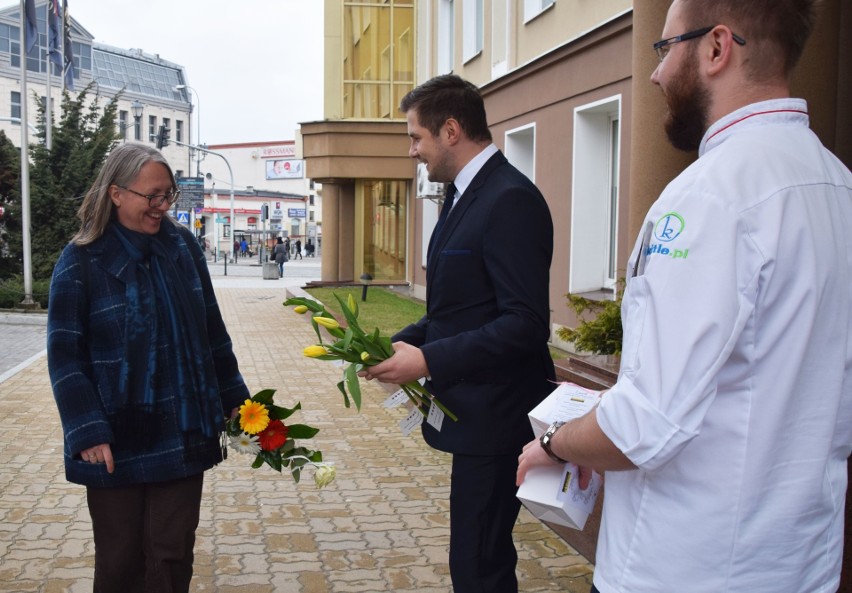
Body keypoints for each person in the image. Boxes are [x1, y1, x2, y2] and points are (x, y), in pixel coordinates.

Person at [516, 2, 852, 592]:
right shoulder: (838, 186)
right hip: (800, 564)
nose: (654, 73)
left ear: (717, 48)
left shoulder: (707, 197)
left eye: (664, 48)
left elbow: (646, 422)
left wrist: (555, 442)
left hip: (681, 566)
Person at [363, 74, 555, 593]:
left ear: (450, 130)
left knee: (480, 565)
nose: (411, 152)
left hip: (499, 420)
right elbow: (457, 310)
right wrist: (390, 345)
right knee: (473, 560)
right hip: (474, 417)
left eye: (415, 137)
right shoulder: (461, 196)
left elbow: (526, 324)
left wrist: (426, 362)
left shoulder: (510, 198)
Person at [47, 143, 251, 593]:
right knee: (121, 562)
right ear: (116, 193)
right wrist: (87, 429)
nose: (162, 207)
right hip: (115, 437)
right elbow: (64, 355)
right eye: (152, 196)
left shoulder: (183, 249)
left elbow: (211, 334)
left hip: (182, 428)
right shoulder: (80, 260)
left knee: (172, 554)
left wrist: (241, 406)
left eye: (168, 195)